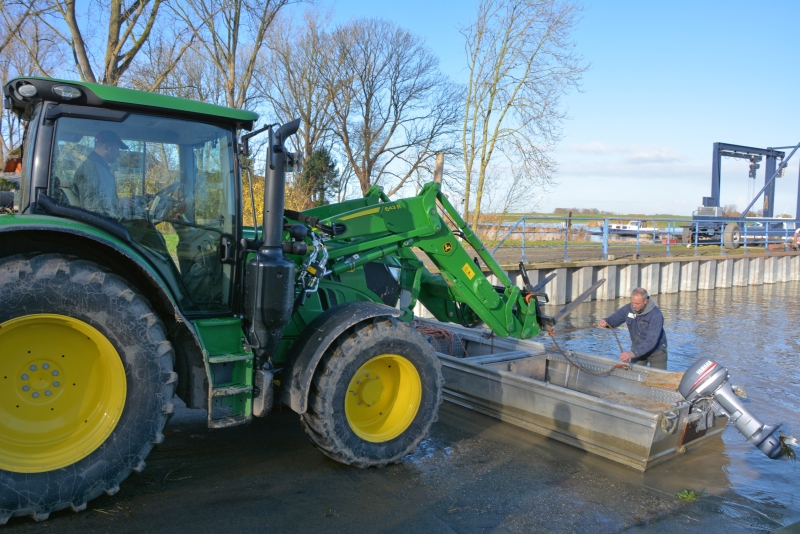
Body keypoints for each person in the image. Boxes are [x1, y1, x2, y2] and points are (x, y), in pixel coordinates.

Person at [598, 287, 668, 369]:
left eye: (637, 304)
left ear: (645, 301)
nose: (634, 306)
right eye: (632, 302)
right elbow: (614, 319)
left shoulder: (656, 315)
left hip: (656, 351)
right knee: (635, 372)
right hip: (637, 348)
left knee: (658, 376)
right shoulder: (628, 308)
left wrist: (631, 354)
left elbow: (651, 341)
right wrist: (606, 322)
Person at [71, 129, 128, 220]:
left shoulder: (102, 168)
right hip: (97, 225)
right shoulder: (90, 168)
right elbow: (89, 205)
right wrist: (117, 203)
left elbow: (102, 198)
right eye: (117, 149)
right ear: (106, 148)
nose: (119, 154)